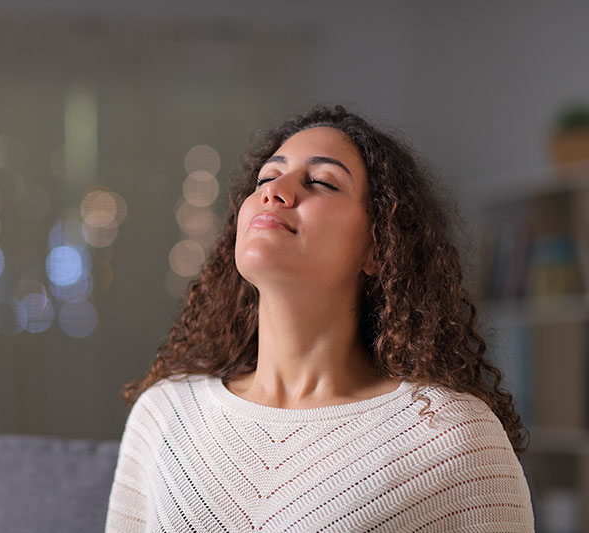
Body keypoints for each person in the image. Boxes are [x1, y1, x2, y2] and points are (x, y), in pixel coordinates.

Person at [105, 105, 535, 532]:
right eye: (266, 178)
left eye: (321, 182)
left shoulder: (451, 435)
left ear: (378, 247)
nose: (276, 192)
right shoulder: (165, 415)